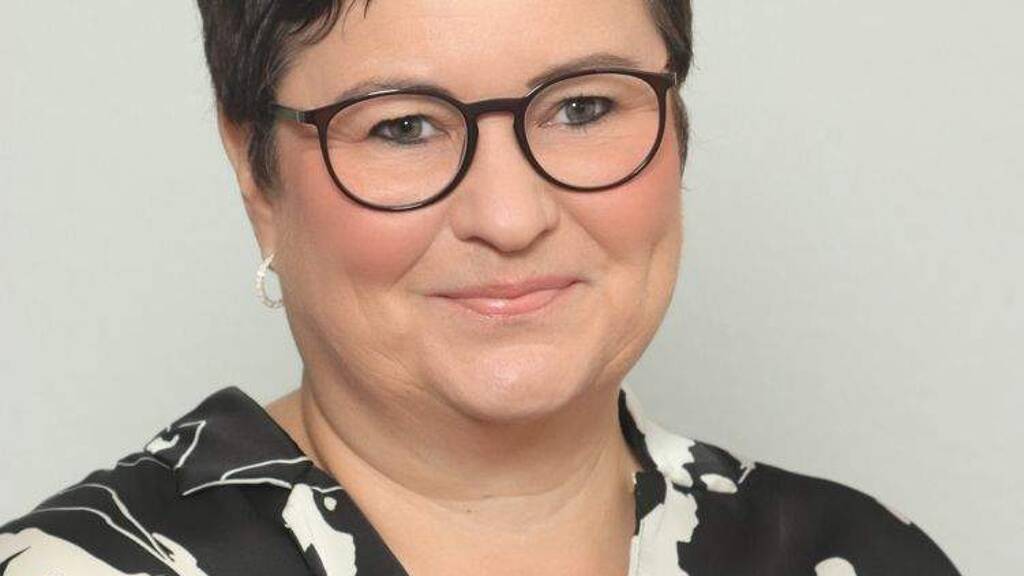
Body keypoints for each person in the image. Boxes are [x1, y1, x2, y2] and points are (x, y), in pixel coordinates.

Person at [0, 1, 962, 574]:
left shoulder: (859, 557)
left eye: (584, 107)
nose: (509, 217)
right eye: (403, 127)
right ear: (256, 173)